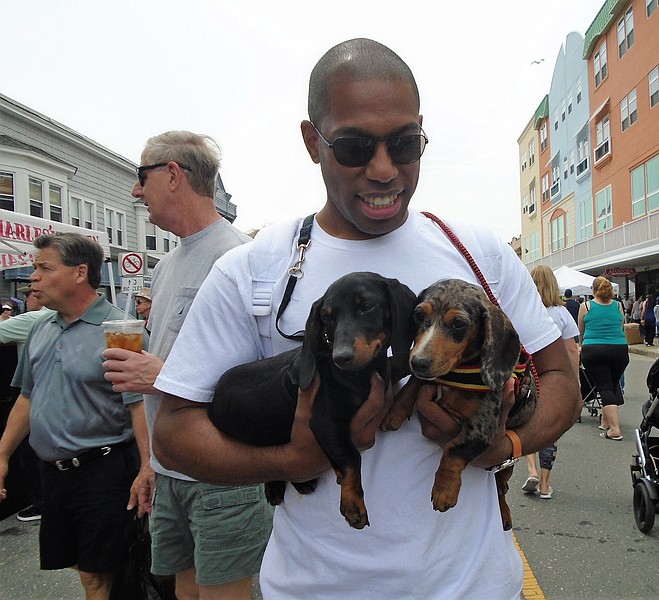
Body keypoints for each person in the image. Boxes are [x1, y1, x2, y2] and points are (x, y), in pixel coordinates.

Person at [149, 38, 580, 600]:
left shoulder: (480, 253)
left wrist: (507, 446)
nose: (383, 169)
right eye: (354, 146)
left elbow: (562, 381)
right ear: (313, 142)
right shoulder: (253, 268)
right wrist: (290, 459)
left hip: (477, 588)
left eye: (405, 143)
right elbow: (175, 434)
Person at [101, 131, 270, 600]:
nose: (135, 190)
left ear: (172, 174)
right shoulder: (165, 266)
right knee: (184, 595)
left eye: (141, 176)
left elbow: (266, 377)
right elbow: (161, 365)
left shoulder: (240, 257)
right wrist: (150, 461)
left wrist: (162, 376)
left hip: (222, 474)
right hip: (172, 469)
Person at [0, 233, 149, 600]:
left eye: (44, 268)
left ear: (80, 272)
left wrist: (148, 467)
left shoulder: (119, 331)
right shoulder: (40, 326)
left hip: (103, 471)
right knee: (83, 568)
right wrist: (2, 453)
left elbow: (139, 404)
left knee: (100, 576)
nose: (33, 276)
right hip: (52, 475)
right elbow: (27, 398)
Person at [521, 266, 580, 499]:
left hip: (526, 376)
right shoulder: (563, 314)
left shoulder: (523, 311)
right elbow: (572, 350)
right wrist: (574, 383)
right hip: (553, 377)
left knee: (525, 422)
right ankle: (545, 484)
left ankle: (531, 469)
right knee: (549, 429)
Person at [0, 285, 55, 522]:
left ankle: (40, 503)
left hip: (33, 396)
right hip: (43, 396)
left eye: (28, 293)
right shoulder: (48, 321)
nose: (27, 298)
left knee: (30, 453)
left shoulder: (32, 320)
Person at [578, 276, 629, 441]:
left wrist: (580, 346)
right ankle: (606, 423)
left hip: (594, 349)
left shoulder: (586, 306)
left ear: (593, 290)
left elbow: (581, 331)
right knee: (612, 383)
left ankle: (614, 429)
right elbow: (621, 326)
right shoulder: (618, 305)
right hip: (619, 349)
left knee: (605, 387)